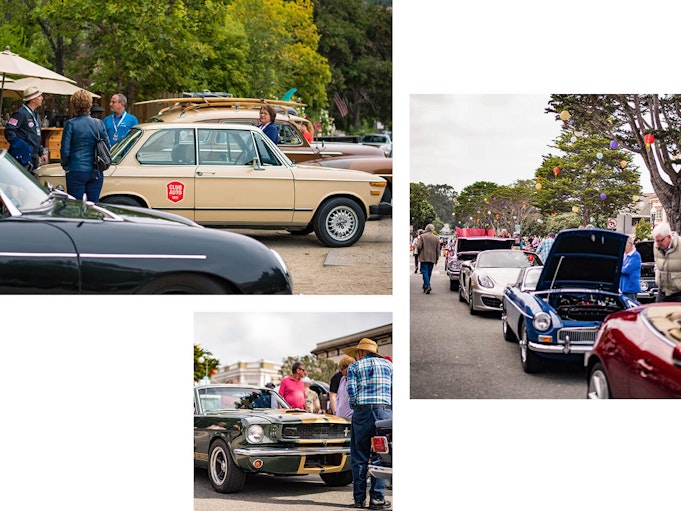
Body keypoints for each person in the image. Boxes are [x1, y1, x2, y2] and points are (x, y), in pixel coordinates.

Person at [345, 338, 392, 510]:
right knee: (382, 456)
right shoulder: (389, 366)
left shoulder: (354, 367)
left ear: (361, 352)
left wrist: (357, 407)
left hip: (362, 413)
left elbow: (351, 392)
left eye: (357, 353)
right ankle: (377, 500)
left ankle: (359, 500)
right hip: (384, 412)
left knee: (359, 456)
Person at [60, 90, 110, 203]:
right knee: (93, 205)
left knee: (75, 206)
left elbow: (65, 150)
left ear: (74, 105)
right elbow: (107, 146)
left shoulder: (70, 124)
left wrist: (65, 165)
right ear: (90, 104)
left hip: (75, 169)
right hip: (95, 169)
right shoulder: (98, 123)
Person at [4, 86, 48, 173]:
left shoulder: (36, 115)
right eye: (39, 96)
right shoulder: (20, 113)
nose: (41, 98)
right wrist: (22, 146)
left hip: (33, 157)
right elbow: (9, 131)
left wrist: (41, 152)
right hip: (22, 157)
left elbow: (36, 135)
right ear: (33, 99)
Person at [652, 222, 681, 302]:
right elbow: (656, 264)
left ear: (668, 237)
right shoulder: (656, 245)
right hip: (662, 291)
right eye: (656, 241)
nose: (657, 244)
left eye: (660, 241)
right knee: (658, 313)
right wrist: (657, 277)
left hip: (679, 293)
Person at [414, 223, 439, 294]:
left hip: (424, 256)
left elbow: (419, 246)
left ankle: (427, 285)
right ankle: (425, 286)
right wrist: (437, 258)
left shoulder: (422, 236)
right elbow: (438, 250)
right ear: (432, 229)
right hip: (432, 257)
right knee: (429, 272)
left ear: (426, 229)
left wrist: (418, 254)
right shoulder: (436, 238)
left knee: (424, 271)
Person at [620, 235, 642, 300]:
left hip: (631, 288)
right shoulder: (626, 256)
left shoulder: (635, 256)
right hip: (624, 288)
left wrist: (619, 268)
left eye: (625, 245)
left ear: (629, 244)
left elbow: (626, 270)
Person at [334, 355, 355, 420]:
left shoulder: (355, 379)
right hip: (339, 416)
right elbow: (338, 397)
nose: (340, 371)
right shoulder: (342, 379)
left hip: (351, 417)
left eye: (342, 369)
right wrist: (336, 411)